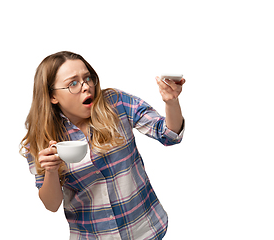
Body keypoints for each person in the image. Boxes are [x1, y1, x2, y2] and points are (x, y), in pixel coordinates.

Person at [20, 51, 185, 240]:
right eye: (72, 83)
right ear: (52, 96)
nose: (86, 87)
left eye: (87, 78)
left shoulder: (117, 103)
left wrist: (171, 102)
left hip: (146, 230)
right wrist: (50, 171)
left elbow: (169, 135)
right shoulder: (41, 139)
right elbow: (51, 204)